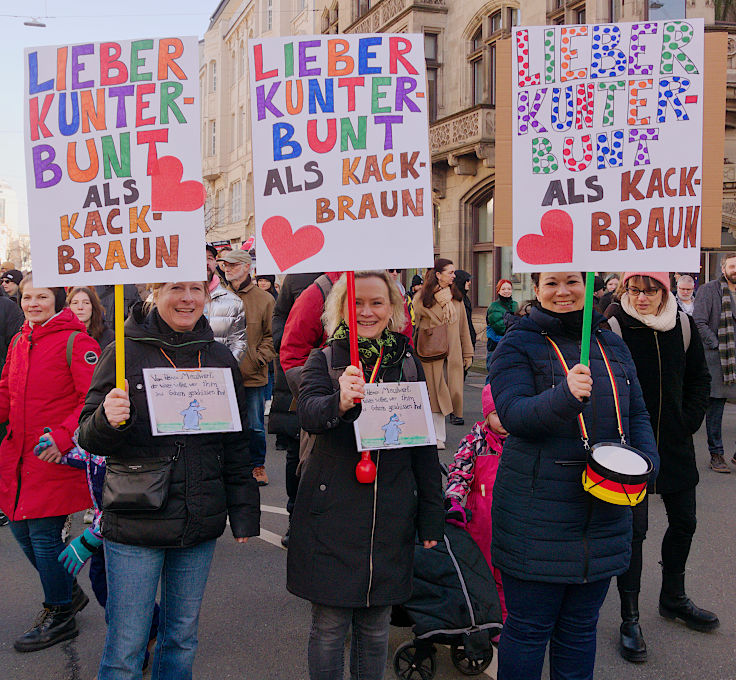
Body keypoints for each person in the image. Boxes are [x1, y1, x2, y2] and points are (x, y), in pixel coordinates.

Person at [78, 281, 260, 680]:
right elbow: (86, 436)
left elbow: (236, 444)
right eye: (176, 288)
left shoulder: (219, 358)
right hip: (136, 517)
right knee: (126, 644)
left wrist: (244, 511)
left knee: (181, 638)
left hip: (198, 518)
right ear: (154, 293)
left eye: (197, 289)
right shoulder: (123, 352)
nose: (188, 298)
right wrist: (107, 419)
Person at [489, 271, 659, 680]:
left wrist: (647, 464)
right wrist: (564, 396)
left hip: (604, 510)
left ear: (588, 285)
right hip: (537, 517)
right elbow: (514, 415)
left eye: (572, 281)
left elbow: (636, 412)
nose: (562, 291)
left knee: (580, 631)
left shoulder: (612, 344)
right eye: (551, 283)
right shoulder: (518, 342)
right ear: (537, 288)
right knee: (529, 631)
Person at [287, 270, 444, 680]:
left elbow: (424, 448)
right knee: (329, 628)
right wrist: (338, 402)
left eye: (376, 302)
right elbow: (308, 414)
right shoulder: (322, 359)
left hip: (390, 514)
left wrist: (431, 513)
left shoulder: (408, 364)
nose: (366, 311)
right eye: (356, 303)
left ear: (393, 309)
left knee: (375, 631)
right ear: (339, 309)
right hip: (332, 514)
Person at [606, 272, 715, 662]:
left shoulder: (681, 323)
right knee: (634, 532)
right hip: (631, 446)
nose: (642, 298)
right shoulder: (614, 324)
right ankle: (629, 617)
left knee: (685, 522)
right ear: (625, 290)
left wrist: (689, 420)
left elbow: (700, 378)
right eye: (635, 290)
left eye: (650, 290)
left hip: (674, 444)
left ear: (664, 291)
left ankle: (673, 597)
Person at [0, 274, 101, 651]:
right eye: (27, 297)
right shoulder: (19, 339)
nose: (32, 303)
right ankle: (68, 593)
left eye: (41, 296)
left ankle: (59, 613)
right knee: (20, 531)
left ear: (57, 299)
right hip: (19, 458)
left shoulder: (77, 341)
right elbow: (7, 391)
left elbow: (92, 399)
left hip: (54, 457)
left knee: (43, 537)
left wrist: (62, 438)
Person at [445, 383, 508, 620]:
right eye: (495, 413)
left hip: (511, 520)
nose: (501, 419)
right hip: (480, 521)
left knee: (506, 574)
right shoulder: (474, 442)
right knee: (481, 572)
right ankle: (483, 618)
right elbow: (460, 473)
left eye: (505, 412)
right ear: (486, 415)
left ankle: (504, 620)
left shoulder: (520, 443)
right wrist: (454, 500)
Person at [269, 272, 322, 546]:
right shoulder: (299, 276)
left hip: (342, 380)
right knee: (295, 453)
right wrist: (284, 337)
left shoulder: (365, 270)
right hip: (299, 375)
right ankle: (294, 518)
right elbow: (279, 314)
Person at [219, 249, 276, 486]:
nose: (227, 269)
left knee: (254, 425)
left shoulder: (265, 299)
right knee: (224, 424)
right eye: (225, 265)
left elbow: (272, 336)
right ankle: (228, 466)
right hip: (221, 375)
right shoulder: (218, 295)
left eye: (233, 265)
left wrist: (257, 359)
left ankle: (257, 466)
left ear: (246, 267)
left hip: (251, 375)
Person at [413, 259, 474, 447]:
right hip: (432, 354)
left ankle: (436, 433)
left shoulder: (457, 298)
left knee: (452, 392)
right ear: (438, 275)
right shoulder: (423, 298)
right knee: (436, 394)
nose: (454, 276)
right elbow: (415, 322)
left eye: (454, 272)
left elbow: (464, 327)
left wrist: (468, 354)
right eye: (450, 272)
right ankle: (437, 435)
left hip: (453, 353)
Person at [694, 252, 736, 473]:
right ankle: (716, 454)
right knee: (715, 411)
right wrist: (716, 344)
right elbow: (699, 321)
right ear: (723, 268)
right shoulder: (709, 290)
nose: (734, 270)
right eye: (732, 266)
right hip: (718, 360)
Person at [205, 244, 246, 361]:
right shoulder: (174, 300)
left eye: (210, 258)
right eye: (200, 258)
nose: (206, 263)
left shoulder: (234, 302)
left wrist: (227, 368)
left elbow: (239, 342)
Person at [485, 279, 517, 382]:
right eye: (503, 289)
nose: (506, 291)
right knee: (493, 374)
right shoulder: (494, 306)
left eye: (509, 288)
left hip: (512, 343)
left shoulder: (515, 305)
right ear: (498, 291)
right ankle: (488, 396)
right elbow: (499, 327)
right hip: (496, 344)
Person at [256, 274, 278, 413]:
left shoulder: (276, 298)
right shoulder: (255, 297)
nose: (263, 284)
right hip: (257, 340)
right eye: (260, 281)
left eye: (266, 281)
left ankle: (269, 399)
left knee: (270, 372)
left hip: (271, 338)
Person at [67, 286, 115, 351]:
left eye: (86, 303)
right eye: (75, 303)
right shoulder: (61, 336)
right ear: (69, 307)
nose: (80, 307)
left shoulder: (109, 337)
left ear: (93, 307)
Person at [453, 269, 478, 359]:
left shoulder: (465, 298)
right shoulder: (456, 299)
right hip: (459, 342)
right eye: (467, 280)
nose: (469, 283)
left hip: (468, 339)